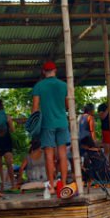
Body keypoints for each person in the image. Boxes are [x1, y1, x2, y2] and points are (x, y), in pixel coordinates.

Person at [31, 61, 69, 198]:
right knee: (63, 154)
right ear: (55, 70)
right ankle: (63, 185)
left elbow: (35, 109)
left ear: (43, 72)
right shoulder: (64, 85)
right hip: (62, 122)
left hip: (47, 124)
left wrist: (34, 125)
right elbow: (68, 105)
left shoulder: (39, 86)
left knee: (48, 155)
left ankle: (52, 186)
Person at [0, 98, 18, 190]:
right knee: (9, 164)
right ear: (2, 107)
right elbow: (13, 130)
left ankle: (1, 186)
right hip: (6, 141)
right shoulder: (6, 116)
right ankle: (13, 184)